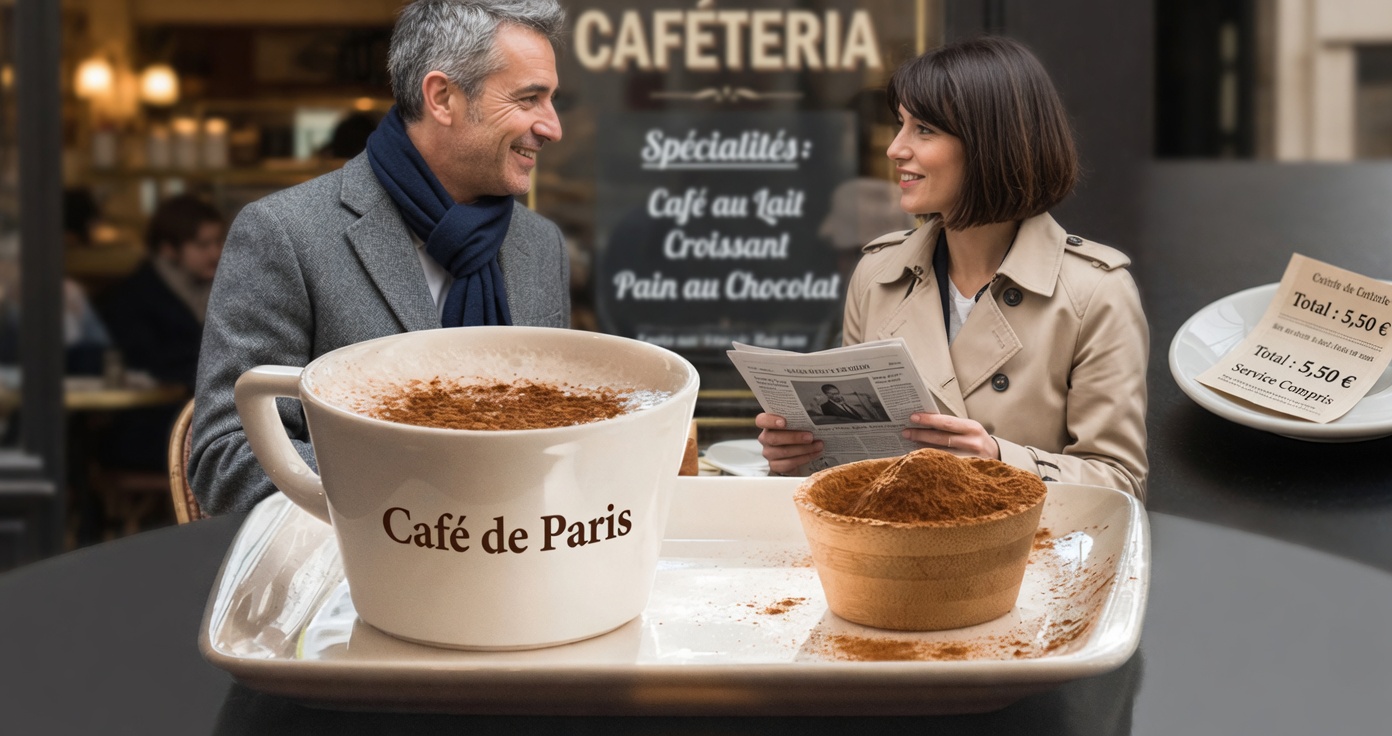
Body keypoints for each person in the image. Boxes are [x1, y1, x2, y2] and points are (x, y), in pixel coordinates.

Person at [189, 0, 570, 514]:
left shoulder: (541, 245)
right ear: (442, 97)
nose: (552, 126)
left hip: (523, 564)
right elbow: (226, 458)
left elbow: (562, 435)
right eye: (529, 99)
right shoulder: (285, 234)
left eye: (551, 101)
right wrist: (425, 498)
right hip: (353, 582)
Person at [755, 37, 1149, 499]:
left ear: (991, 144)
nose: (895, 149)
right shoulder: (878, 275)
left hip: (1026, 560)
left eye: (924, 130)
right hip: (891, 552)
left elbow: (1121, 483)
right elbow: (859, 473)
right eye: (900, 125)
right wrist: (801, 460)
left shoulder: (1095, 291)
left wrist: (1001, 461)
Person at [99, 194, 224, 390]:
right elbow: (144, 362)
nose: (215, 253)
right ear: (168, 249)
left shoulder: (223, 288)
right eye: (203, 245)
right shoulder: (133, 298)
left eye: (218, 242)